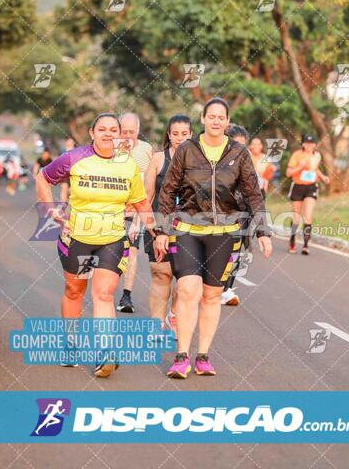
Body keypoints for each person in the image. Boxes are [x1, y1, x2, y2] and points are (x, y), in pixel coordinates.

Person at [155, 98, 272, 378]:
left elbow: (253, 193)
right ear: (204, 119)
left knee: (211, 295)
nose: (216, 121)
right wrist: (161, 230)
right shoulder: (187, 150)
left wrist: (262, 231)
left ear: (227, 122)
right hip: (188, 228)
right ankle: (182, 356)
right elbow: (168, 191)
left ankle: (203, 356)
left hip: (224, 232)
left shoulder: (239, 153)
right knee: (186, 290)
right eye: (212, 116)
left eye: (222, 117)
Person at [35, 113, 158, 378]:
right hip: (77, 238)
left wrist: (156, 231)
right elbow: (42, 178)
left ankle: (106, 353)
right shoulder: (74, 157)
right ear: (92, 133)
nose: (108, 134)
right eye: (102, 129)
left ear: (120, 134)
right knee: (74, 290)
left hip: (112, 239)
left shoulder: (127, 166)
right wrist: (51, 210)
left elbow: (140, 201)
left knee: (103, 294)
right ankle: (70, 343)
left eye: (114, 129)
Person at [144, 115, 192, 337]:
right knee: (161, 273)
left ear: (191, 135)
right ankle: (155, 325)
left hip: (189, 227)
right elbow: (146, 195)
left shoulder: (199, 161)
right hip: (159, 222)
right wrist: (150, 226)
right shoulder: (157, 159)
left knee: (185, 278)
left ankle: (173, 314)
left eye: (184, 134)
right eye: (175, 133)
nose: (179, 138)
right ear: (169, 134)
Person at [116, 112, 153, 313]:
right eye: (124, 131)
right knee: (110, 255)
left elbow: (148, 189)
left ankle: (126, 295)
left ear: (138, 131)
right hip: (110, 212)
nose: (128, 135)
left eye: (132, 131)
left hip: (134, 213)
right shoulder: (110, 150)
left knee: (131, 252)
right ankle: (103, 291)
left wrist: (140, 220)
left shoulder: (146, 150)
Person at [221, 124, 250, 306]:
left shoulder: (246, 161)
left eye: (242, 145)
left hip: (242, 212)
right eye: (236, 144)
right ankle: (213, 287)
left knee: (236, 253)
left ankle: (226, 290)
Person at [286, 134, 330, 255]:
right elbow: (288, 173)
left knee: (308, 216)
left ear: (315, 144)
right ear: (303, 144)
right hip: (298, 186)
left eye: (311, 143)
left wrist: (323, 177)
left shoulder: (317, 155)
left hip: (311, 187)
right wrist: (300, 167)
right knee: (296, 217)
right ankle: (292, 240)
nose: (309, 145)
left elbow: (315, 169)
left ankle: (305, 245)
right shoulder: (297, 155)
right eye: (306, 143)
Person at [59, 137, 75, 203]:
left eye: (71, 141)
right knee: (64, 188)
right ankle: (62, 206)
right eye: (68, 141)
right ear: (66, 142)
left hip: (74, 174)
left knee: (72, 191)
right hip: (64, 174)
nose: (70, 143)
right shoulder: (62, 151)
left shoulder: (77, 151)